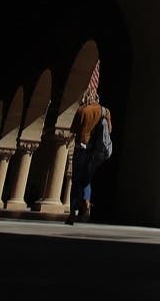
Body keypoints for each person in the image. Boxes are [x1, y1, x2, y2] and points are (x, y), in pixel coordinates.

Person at [67, 88, 111, 224]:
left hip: (82, 148)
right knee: (87, 179)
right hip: (96, 152)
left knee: (76, 181)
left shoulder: (82, 110)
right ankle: (86, 202)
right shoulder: (105, 111)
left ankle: (73, 211)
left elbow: (73, 129)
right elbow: (109, 130)